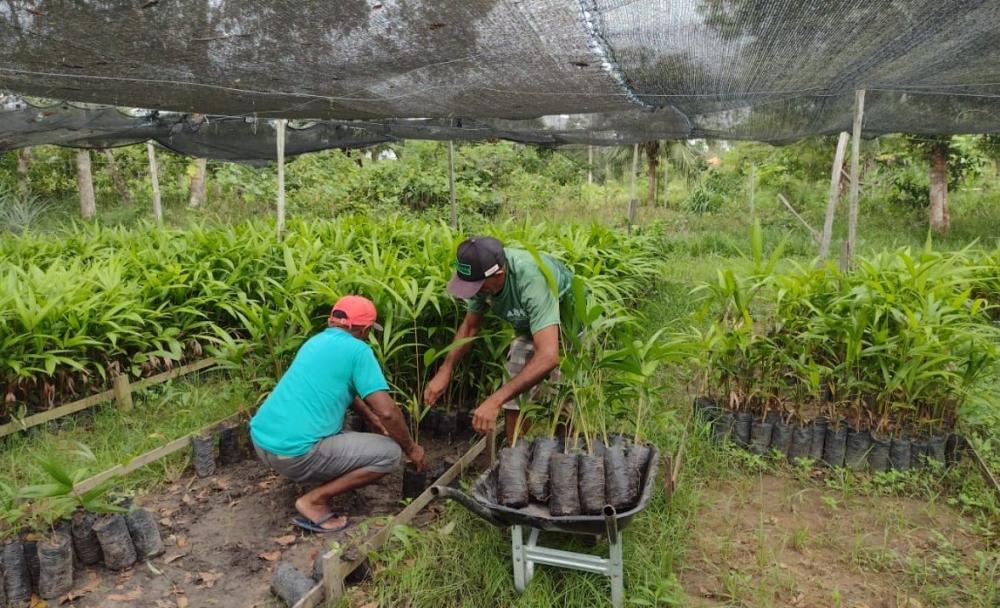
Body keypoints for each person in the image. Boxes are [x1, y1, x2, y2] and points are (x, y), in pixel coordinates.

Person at [250, 295, 426, 533]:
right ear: (364, 329)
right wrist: (412, 448)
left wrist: (369, 418)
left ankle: (312, 480)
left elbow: (346, 390)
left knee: (340, 427)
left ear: (333, 321)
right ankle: (314, 501)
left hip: (262, 442)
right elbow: (388, 412)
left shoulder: (315, 342)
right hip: (295, 455)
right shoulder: (358, 350)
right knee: (390, 454)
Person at [424, 236, 574, 441]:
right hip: (530, 327)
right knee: (513, 393)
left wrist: (493, 400)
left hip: (571, 326)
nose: (474, 293)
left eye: (478, 286)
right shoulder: (480, 274)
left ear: (499, 274)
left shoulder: (531, 279)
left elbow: (548, 356)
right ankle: (515, 455)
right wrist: (446, 369)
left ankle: (566, 454)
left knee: (565, 399)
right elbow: (469, 327)